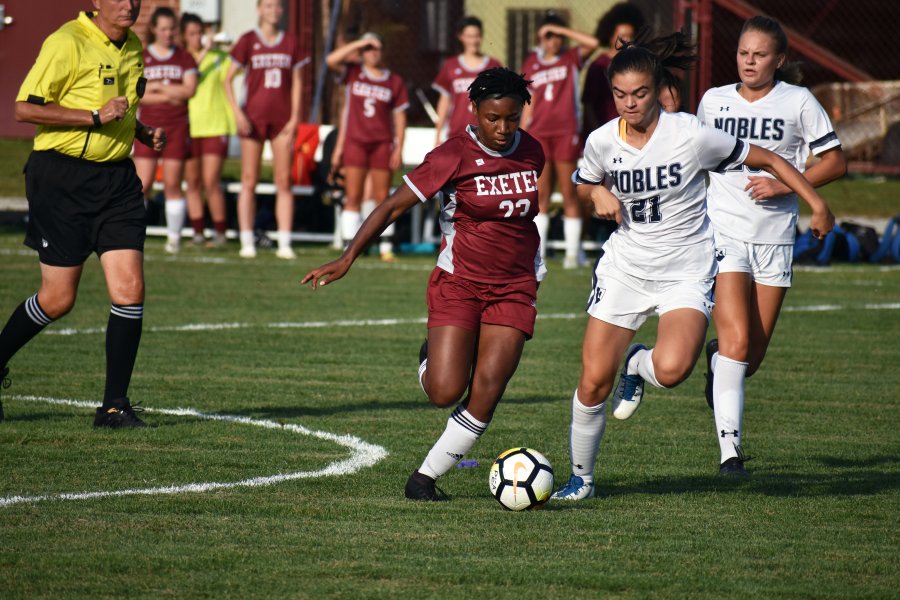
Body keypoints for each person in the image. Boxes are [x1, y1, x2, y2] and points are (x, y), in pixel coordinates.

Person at [550, 32, 835, 500]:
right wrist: (597, 191)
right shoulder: (602, 141)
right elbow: (583, 182)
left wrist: (815, 203)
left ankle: (638, 364)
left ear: (658, 89)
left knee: (675, 369)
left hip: (686, 270)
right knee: (592, 381)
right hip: (625, 268)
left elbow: (767, 158)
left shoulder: (690, 134)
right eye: (620, 95)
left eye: (639, 94)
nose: (629, 103)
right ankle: (581, 478)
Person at [302, 68, 545, 501]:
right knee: (444, 391)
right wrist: (348, 257)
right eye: (493, 118)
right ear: (474, 111)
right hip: (460, 283)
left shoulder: (533, 152)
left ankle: (423, 479)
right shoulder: (452, 155)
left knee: (487, 390)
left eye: (511, 118)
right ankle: (429, 355)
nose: (503, 128)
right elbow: (393, 207)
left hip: (516, 286)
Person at [0, 0, 164, 427]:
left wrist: (142, 132)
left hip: (118, 182)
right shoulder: (66, 42)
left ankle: (114, 406)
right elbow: (26, 107)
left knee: (129, 289)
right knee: (58, 299)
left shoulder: (133, 46)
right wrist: (92, 116)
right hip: (62, 180)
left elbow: (121, 109)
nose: (129, 5)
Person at [698, 16, 846, 477]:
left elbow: (835, 161)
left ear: (779, 60)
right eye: (744, 53)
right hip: (723, 232)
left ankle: (697, 359)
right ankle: (730, 456)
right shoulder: (713, 101)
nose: (749, 61)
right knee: (739, 344)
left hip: (775, 238)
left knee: (749, 358)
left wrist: (784, 186)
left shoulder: (798, 101)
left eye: (760, 55)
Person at [225, 0, 308, 259]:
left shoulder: (291, 42)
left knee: (284, 180)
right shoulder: (248, 40)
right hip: (253, 118)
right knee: (249, 179)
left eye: (277, 7)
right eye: (268, 6)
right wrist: (238, 114)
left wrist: (295, 119)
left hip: (282, 120)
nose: (274, 11)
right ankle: (247, 240)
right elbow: (227, 79)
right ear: (259, 10)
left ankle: (284, 241)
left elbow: (297, 82)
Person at [520, 12, 598, 269]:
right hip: (540, 133)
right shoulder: (532, 62)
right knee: (540, 195)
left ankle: (572, 255)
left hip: (565, 132)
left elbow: (593, 43)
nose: (552, 40)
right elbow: (528, 103)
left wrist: (562, 30)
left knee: (568, 193)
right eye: (548, 35)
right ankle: (538, 254)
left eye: (556, 36)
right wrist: (522, 132)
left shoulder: (570, 57)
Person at [326, 32, 408, 261]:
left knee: (383, 195)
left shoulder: (393, 80)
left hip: (382, 143)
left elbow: (400, 117)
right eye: (368, 49)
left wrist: (399, 146)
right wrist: (360, 43)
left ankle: (385, 245)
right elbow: (331, 60)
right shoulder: (353, 73)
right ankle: (350, 245)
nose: (373, 53)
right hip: (356, 142)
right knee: (354, 194)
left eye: (376, 48)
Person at [133, 6, 198, 255]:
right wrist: (167, 89)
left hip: (177, 126)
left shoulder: (184, 58)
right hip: (147, 129)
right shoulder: (142, 56)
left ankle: (174, 239)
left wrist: (158, 89)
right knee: (142, 183)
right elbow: (137, 96)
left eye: (172, 29)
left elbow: (188, 92)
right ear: (153, 30)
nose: (168, 33)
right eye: (163, 29)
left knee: (172, 182)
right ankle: (134, 233)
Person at [181, 13, 235, 248]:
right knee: (192, 182)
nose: (198, 38)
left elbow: (238, 69)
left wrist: (229, 47)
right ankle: (198, 232)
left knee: (211, 181)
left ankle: (220, 233)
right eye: (192, 34)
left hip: (215, 125)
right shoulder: (182, 59)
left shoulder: (218, 57)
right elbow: (192, 74)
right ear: (183, 36)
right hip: (188, 126)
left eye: (200, 32)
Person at [432, 16, 502, 146]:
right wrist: (438, 134)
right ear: (461, 37)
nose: (474, 40)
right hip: (457, 132)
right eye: (469, 36)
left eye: (477, 36)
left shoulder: (493, 65)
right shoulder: (450, 65)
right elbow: (445, 101)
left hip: (485, 134)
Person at [582, 3, 646, 138]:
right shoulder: (599, 65)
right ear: (611, 37)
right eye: (622, 36)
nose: (627, 40)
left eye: (630, 36)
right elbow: (588, 105)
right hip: (607, 130)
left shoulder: (639, 63)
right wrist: (597, 133)